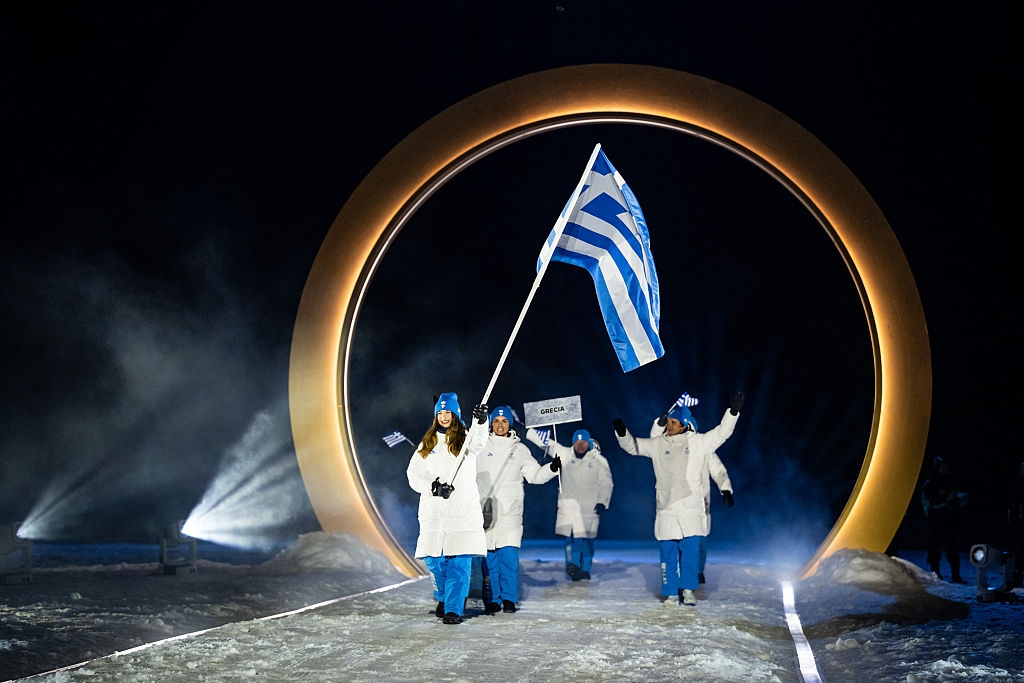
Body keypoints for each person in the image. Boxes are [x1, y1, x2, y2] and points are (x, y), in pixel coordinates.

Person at [613, 392, 744, 606]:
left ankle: (689, 591)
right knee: (668, 554)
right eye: (669, 422)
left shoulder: (700, 443)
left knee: (691, 554)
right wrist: (621, 432)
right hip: (666, 509)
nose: (670, 426)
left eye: (675, 422)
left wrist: (733, 412)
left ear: (685, 426)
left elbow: (722, 433)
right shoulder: (658, 444)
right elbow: (632, 446)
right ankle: (671, 593)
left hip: (692, 509)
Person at [406, 392, 490, 624]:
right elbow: (413, 474)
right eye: (440, 413)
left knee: (459, 561)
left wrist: (482, 422)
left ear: (455, 414)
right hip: (434, 512)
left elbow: (480, 441)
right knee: (434, 560)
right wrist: (432, 487)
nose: (444, 417)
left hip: (461, 511)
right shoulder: (428, 442)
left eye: (448, 412)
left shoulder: (466, 438)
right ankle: (443, 595)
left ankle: (453, 608)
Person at [474, 405, 560, 613]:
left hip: (510, 514)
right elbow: (464, 447)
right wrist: (478, 422)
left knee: (509, 560)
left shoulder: (520, 449)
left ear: (510, 424)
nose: (500, 425)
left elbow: (535, 476)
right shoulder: (480, 446)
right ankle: (493, 599)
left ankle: (510, 599)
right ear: (491, 424)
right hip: (485, 512)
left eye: (504, 421)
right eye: (496, 421)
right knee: (489, 561)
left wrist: (552, 468)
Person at [526, 426, 613, 580]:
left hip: (589, 508)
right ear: (573, 443)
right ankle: (572, 566)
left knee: (586, 541)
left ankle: (585, 568)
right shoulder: (565, 455)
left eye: (583, 442)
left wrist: (602, 502)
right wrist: (524, 430)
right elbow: (546, 442)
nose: (580, 445)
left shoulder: (599, 461)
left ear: (589, 443)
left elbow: (606, 483)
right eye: (577, 442)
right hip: (568, 507)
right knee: (572, 538)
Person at [648, 415, 724, 585]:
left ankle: (696, 572)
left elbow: (718, 470)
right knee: (676, 540)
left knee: (697, 542)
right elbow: (656, 443)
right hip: (677, 502)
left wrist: (725, 488)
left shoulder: (703, 448)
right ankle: (680, 578)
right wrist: (658, 424)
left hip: (700, 503)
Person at [921, 456, 967, 583]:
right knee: (935, 548)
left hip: (950, 521)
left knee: (952, 548)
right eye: (943, 466)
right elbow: (930, 502)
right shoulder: (931, 484)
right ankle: (936, 574)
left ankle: (956, 575)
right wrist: (947, 499)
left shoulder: (952, 482)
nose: (946, 469)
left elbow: (960, 501)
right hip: (936, 521)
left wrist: (958, 500)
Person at [1009, 461, 1024, 588]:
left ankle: (1018, 580)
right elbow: (1014, 505)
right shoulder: (1019, 485)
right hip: (1021, 522)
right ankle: (1017, 580)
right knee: (1020, 551)